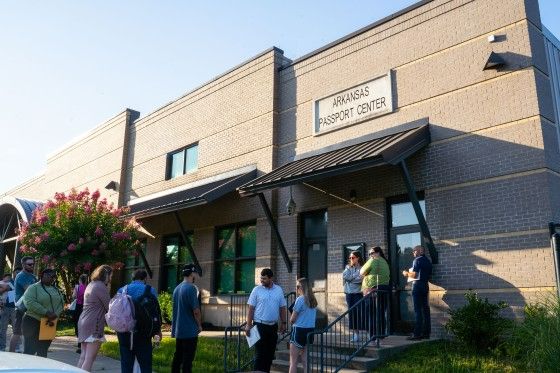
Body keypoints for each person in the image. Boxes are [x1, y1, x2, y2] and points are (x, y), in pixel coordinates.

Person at [116, 269, 162, 373]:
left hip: (124, 333)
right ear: (145, 278)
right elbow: (155, 312)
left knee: (126, 364)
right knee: (145, 365)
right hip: (144, 333)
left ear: (133, 278)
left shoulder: (122, 290)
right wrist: (158, 331)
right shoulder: (150, 290)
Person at [245, 268, 287, 373]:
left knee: (270, 353)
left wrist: (284, 323)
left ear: (271, 278)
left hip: (273, 326)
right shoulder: (256, 290)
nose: (261, 280)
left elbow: (282, 307)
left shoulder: (278, 290)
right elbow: (251, 308)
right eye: (261, 278)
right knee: (260, 353)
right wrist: (248, 325)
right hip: (259, 325)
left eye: (264, 278)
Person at [21, 268, 64, 357]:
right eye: (49, 276)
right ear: (42, 276)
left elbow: (61, 303)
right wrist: (46, 312)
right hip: (32, 321)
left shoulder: (56, 289)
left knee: (43, 350)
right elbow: (29, 302)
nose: (52, 278)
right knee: (30, 351)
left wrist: (56, 314)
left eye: (53, 277)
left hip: (49, 323)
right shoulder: (33, 288)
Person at [77, 266, 112, 372]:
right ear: (106, 275)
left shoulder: (91, 284)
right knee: (89, 359)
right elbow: (109, 306)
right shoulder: (101, 286)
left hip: (84, 321)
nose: (111, 278)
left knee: (83, 356)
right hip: (94, 324)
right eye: (111, 275)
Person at [171, 264, 202, 373]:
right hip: (190, 330)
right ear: (192, 273)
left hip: (179, 330)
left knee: (178, 356)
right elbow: (196, 311)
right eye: (195, 272)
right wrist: (199, 325)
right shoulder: (191, 288)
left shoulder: (176, 289)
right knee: (188, 360)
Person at [402, 245, 433, 340]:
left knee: (417, 310)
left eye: (414, 250)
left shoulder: (417, 260)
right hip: (425, 285)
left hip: (417, 286)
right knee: (426, 310)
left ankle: (417, 334)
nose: (413, 252)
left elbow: (414, 275)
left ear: (421, 251)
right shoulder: (428, 261)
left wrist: (406, 273)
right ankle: (426, 333)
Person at [360, 246, 390, 339]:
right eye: (369, 254)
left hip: (372, 289)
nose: (370, 255)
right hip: (384, 288)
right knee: (380, 312)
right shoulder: (385, 262)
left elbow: (362, 272)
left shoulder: (373, 260)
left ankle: (373, 335)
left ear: (378, 253)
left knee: (372, 313)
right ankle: (381, 335)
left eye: (372, 253)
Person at [289, 278, 317, 373]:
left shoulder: (300, 299)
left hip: (299, 331)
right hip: (310, 331)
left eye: (298, 286)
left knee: (293, 362)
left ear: (303, 287)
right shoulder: (313, 300)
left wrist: (291, 321)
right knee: (306, 360)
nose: (296, 289)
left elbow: (292, 319)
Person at [10, 257, 37, 353]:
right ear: (23, 265)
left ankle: (27, 353)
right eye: (29, 264)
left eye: (33, 264)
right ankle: (11, 354)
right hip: (21, 307)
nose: (32, 266)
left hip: (29, 307)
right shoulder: (21, 276)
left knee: (28, 332)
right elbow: (29, 290)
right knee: (17, 332)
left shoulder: (33, 276)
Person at [342, 250, 363, 342]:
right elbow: (345, 277)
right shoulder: (347, 267)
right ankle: (355, 334)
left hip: (359, 293)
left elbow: (361, 280)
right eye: (350, 258)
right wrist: (355, 276)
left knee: (360, 313)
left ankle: (363, 333)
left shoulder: (362, 268)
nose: (351, 259)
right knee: (352, 314)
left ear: (358, 258)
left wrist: (351, 278)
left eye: (353, 257)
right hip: (349, 294)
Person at [72, 274, 88, 354]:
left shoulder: (77, 287)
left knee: (77, 325)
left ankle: (79, 343)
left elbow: (74, 296)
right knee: (83, 325)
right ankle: (82, 345)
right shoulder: (88, 288)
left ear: (80, 280)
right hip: (85, 308)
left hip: (78, 307)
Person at [0, 272, 16, 351]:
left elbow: (13, 289)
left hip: (13, 307)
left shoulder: (12, 283)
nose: (8, 279)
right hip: (4, 307)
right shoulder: (1, 283)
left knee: (16, 328)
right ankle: (2, 347)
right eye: (7, 277)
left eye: (9, 277)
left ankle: (16, 347)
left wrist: (7, 287)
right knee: (3, 328)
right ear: (3, 278)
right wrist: (5, 288)